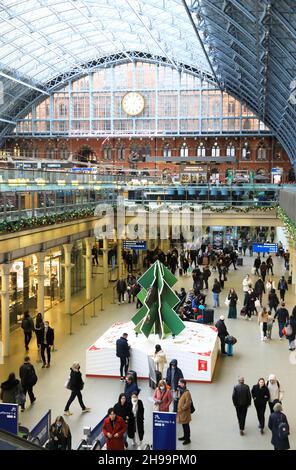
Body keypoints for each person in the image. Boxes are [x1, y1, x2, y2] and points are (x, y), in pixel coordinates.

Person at [176, 379, 192, 445]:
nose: (178, 384)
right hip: (182, 413)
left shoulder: (187, 392)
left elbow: (188, 403)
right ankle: (185, 436)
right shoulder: (181, 391)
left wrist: (182, 408)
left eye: (179, 383)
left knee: (186, 426)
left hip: (185, 412)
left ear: (183, 384)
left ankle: (187, 439)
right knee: (183, 425)